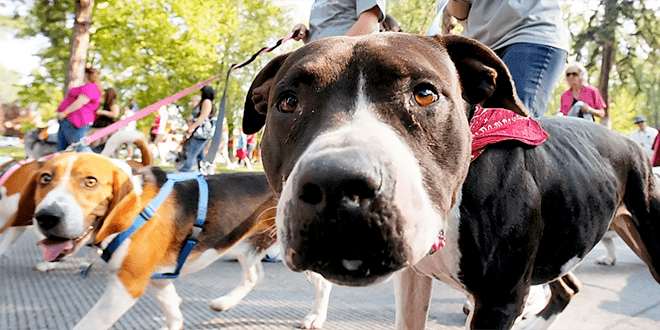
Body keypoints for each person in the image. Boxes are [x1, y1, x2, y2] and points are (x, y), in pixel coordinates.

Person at [444, 0, 569, 118]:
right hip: (480, 46)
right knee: (469, 126)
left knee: (512, 125)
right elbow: (460, 13)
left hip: (530, 33)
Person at [291, 0, 386, 44]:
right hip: (316, 61)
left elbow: (369, 21)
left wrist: (333, 53)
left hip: (349, 61)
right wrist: (305, 35)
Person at [56, 67, 102, 151]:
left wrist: (65, 112)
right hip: (69, 121)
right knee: (63, 149)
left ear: (87, 74)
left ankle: (93, 164)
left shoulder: (90, 87)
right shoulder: (86, 87)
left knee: (79, 147)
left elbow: (80, 102)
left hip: (76, 122)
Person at [180, 85, 215, 172]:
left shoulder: (207, 102)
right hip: (200, 132)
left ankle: (184, 171)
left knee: (191, 153)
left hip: (201, 133)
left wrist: (192, 127)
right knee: (200, 155)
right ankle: (204, 172)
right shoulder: (204, 102)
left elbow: (203, 117)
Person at [89, 87, 121, 152]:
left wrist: (101, 112)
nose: (103, 96)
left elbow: (115, 114)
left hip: (107, 131)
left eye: (104, 95)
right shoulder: (103, 106)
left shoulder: (114, 105)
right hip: (99, 128)